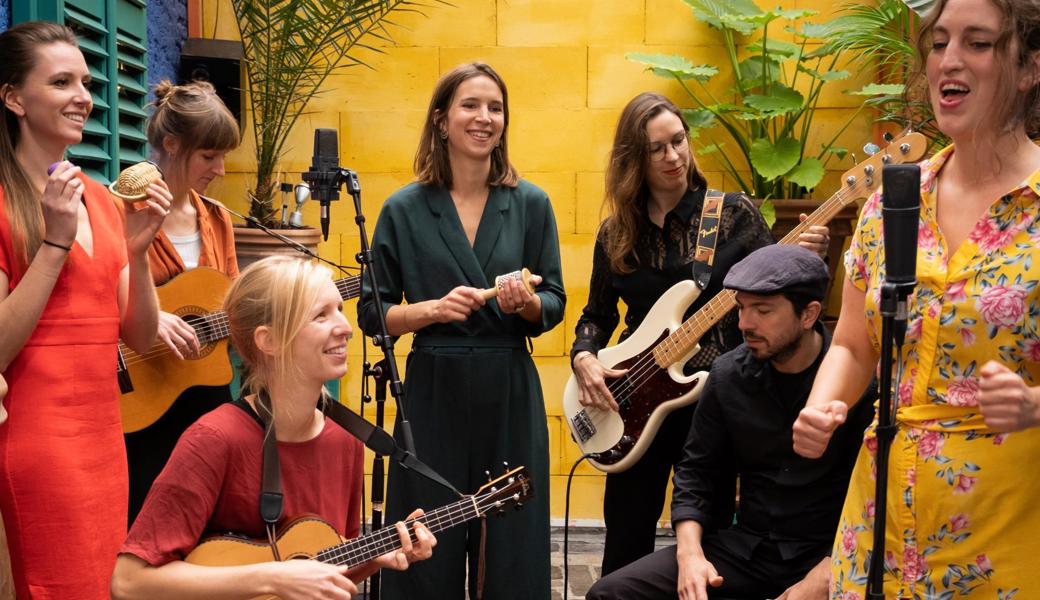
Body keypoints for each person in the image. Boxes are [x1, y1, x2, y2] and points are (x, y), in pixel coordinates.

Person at [791, 0, 1040, 596]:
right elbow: (852, 345)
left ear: (1030, 66)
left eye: (978, 43)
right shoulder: (893, 200)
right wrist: (826, 403)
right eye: (939, 42)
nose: (949, 60)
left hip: (1003, 537)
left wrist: (1035, 405)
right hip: (880, 528)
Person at [570, 91, 830, 575]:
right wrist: (585, 355)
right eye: (656, 148)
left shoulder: (731, 214)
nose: (673, 157)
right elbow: (597, 315)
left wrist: (814, 255)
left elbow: (778, 290)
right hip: (633, 401)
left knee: (708, 544)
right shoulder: (616, 234)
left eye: (679, 141)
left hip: (715, 402)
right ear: (634, 159)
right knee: (625, 539)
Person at [111, 255, 436, 599]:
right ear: (268, 340)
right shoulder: (215, 439)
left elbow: (320, 569)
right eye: (320, 315)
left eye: (339, 309)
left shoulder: (346, 440)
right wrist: (272, 578)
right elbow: (129, 582)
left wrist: (374, 557)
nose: (346, 327)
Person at [358, 62, 565, 599]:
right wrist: (430, 310)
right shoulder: (403, 208)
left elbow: (555, 302)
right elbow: (371, 313)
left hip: (508, 390)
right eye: (470, 105)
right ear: (441, 119)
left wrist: (524, 306)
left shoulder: (531, 204)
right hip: (431, 392)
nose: (484, 118)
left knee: (513, 543)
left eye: (495, 108)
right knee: (427, 540)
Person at [586, 245, 872, 600]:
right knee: (611, 594)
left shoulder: (861, 383)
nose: (744, 324)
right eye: (742, 308)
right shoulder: (728, 375)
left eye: (763, 310)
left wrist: (828, 570)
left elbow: (876, 494)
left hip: (832, 552)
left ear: (809, 314)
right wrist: (690, 556)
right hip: (747, 551)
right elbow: (696, 473)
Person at [0, 21, 170, 599]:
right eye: (61, 82)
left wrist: (141, 250)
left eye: (86, 81)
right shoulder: (1, 202)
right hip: (40, 440)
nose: (84, 97)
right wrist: (53, 243)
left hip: (105, 436)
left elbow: (142, 336)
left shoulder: (100, 198)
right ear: (14, 98)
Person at [124, 79, 241, 524]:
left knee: (204, 518)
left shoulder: (217, 218)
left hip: (204, 391)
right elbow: (96, 294)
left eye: (222, 156)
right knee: (143, 518)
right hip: (141, 391)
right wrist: (151, 316)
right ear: (172, 144)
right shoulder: (123, 210)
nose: (221, 170)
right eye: (209, 156)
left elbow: (231, 301)